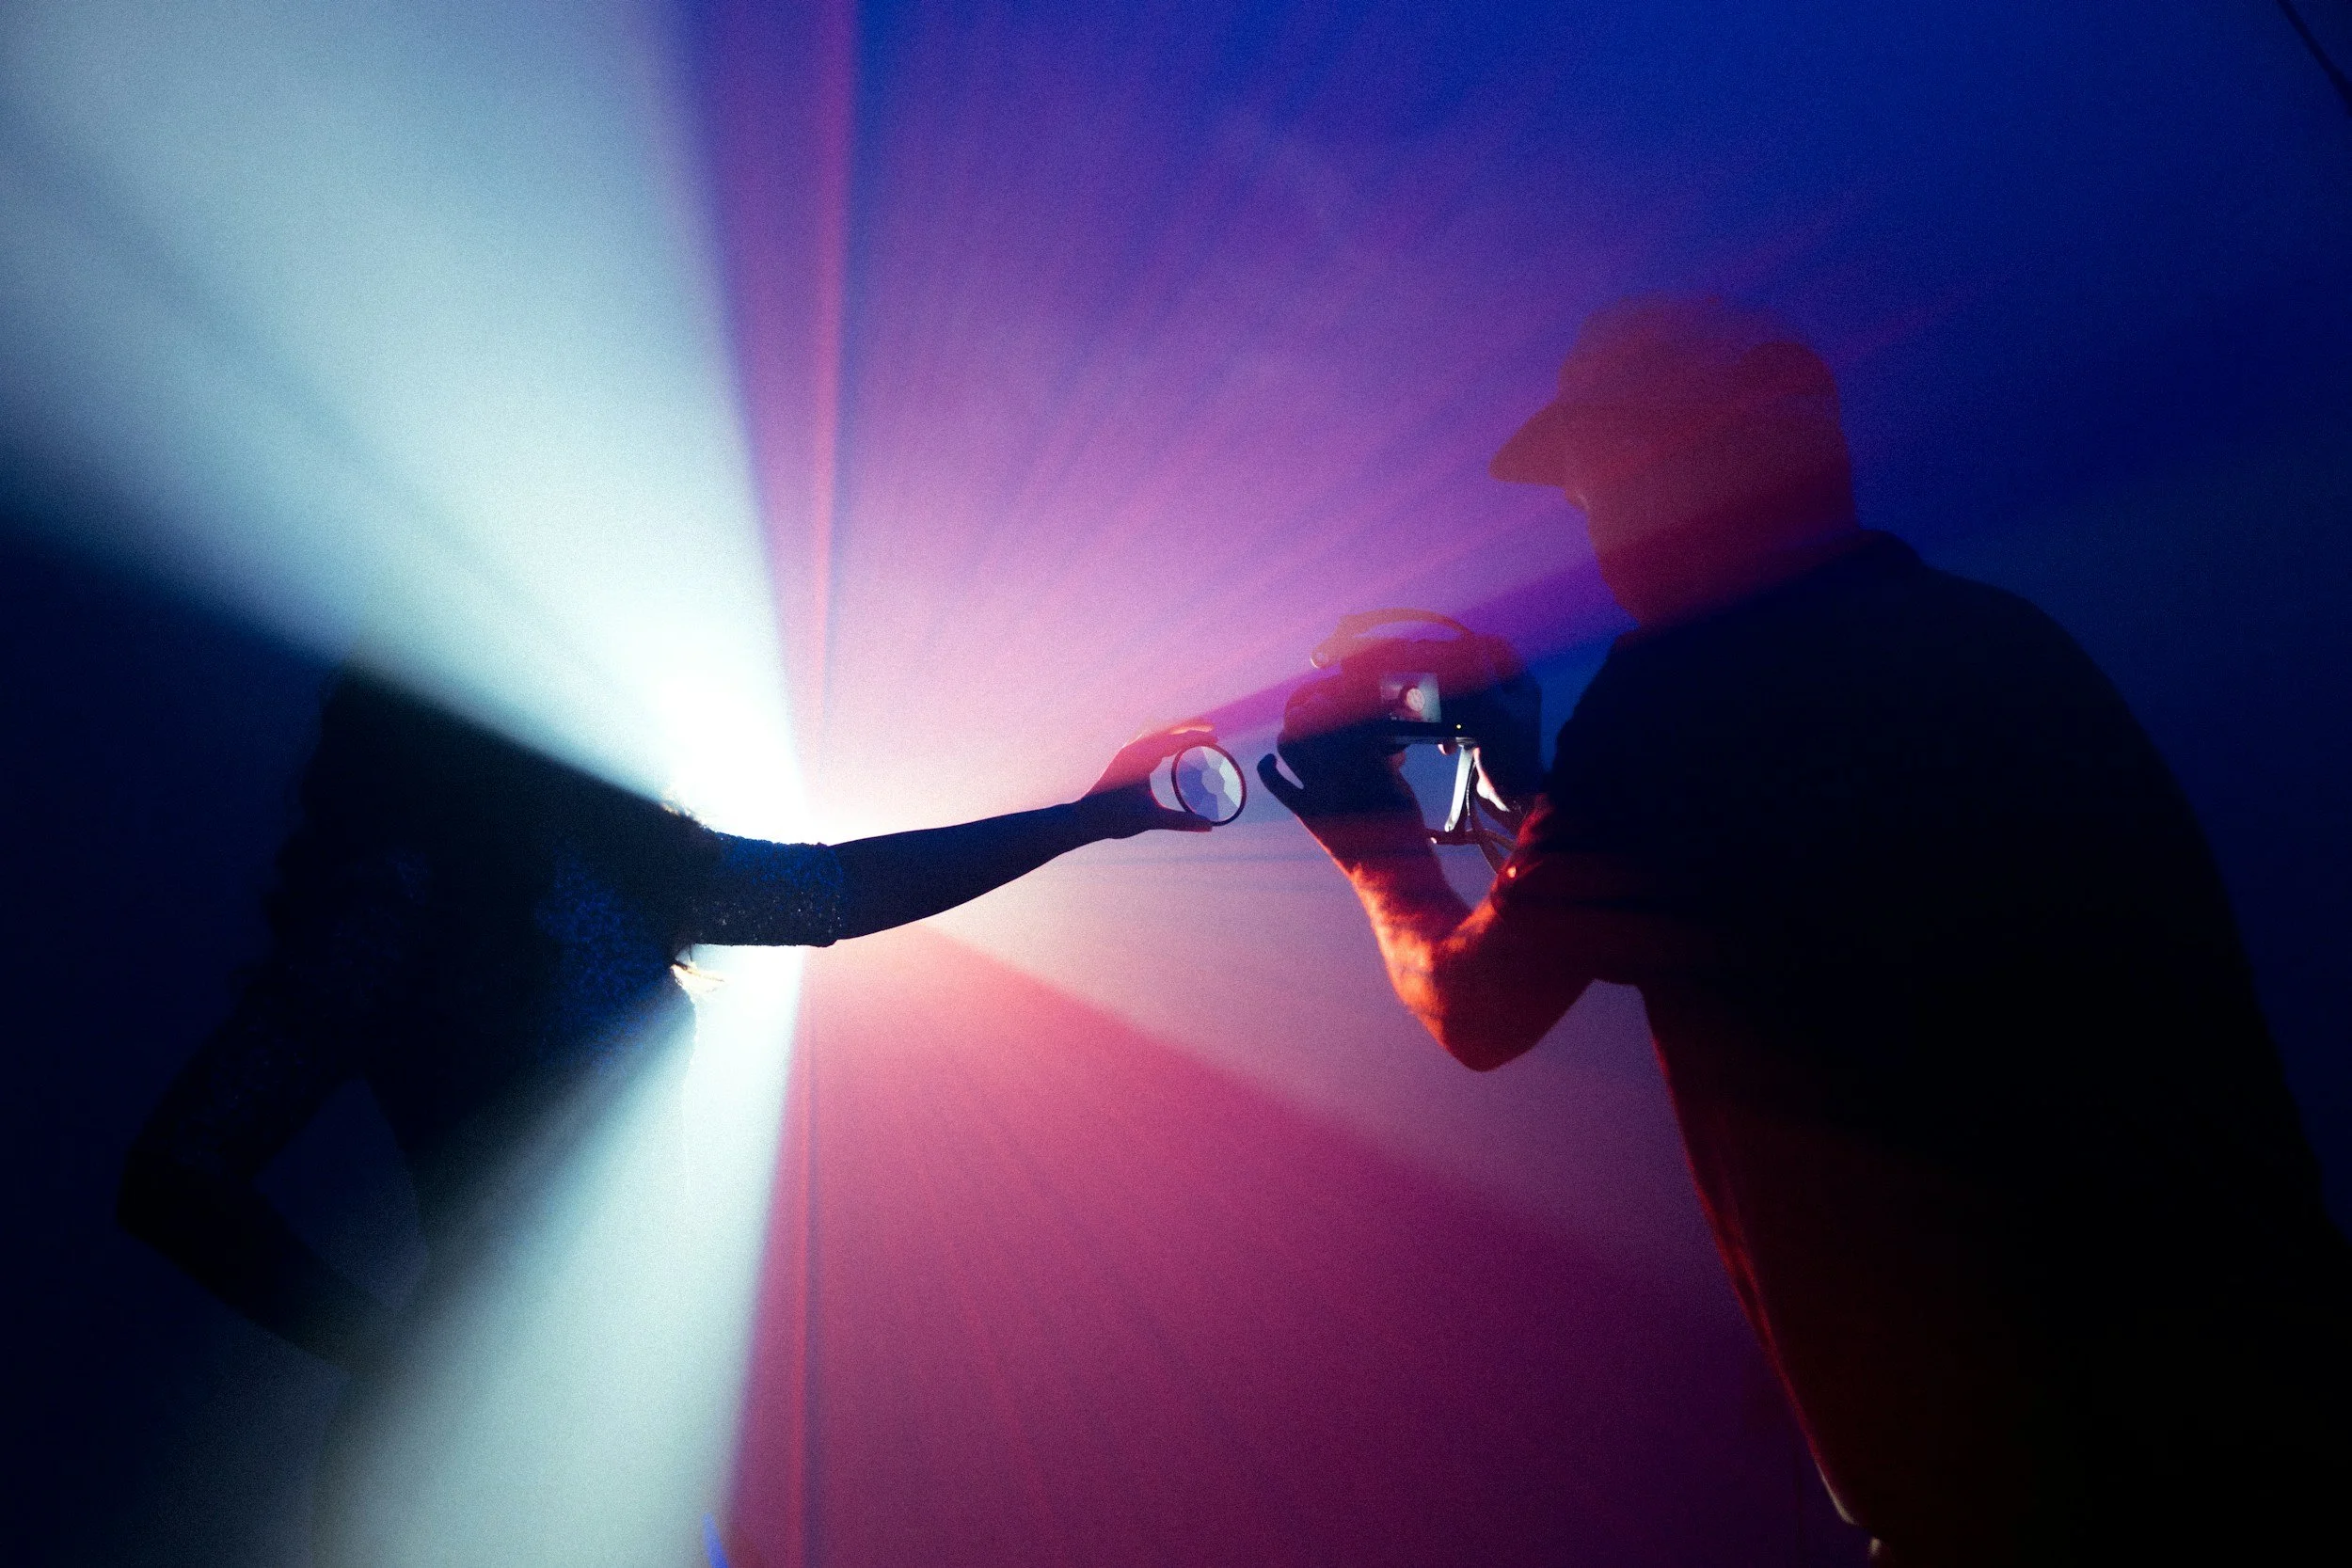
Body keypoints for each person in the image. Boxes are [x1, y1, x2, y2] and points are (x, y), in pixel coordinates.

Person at [1259, 296, 2352, 1566]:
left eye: (1612, 468)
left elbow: (1479, 1006)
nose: (1604, 516)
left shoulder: (1684, 691)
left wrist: (1377, 848)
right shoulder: (1997, 640)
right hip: (2278, 1394)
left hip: (2029, 1476)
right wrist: (1538, 783)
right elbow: (1745, 893)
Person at [117, 670, 1216, 1546]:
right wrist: (396, 1352)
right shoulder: (399, 905)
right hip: (470, 1464)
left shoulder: (626, 869)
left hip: (612, 1440)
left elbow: (840, 889)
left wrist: (1087, 819)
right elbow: (173, 1174)